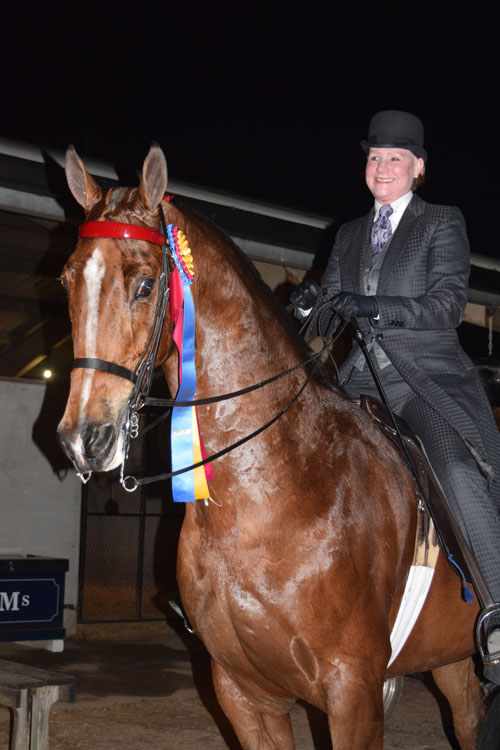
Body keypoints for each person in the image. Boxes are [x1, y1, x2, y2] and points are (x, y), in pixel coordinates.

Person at [292, 110, 500, 685]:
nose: (382, 168)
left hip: (423, 379)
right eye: (375, 158)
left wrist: (376, 307)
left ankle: (499, 610)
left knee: (457, 471)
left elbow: (445, 308)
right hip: (358, 379)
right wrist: (312, 305)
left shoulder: (442, 223)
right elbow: (333, 310)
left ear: (418, 169)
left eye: (395, 159)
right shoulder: (349, 235)